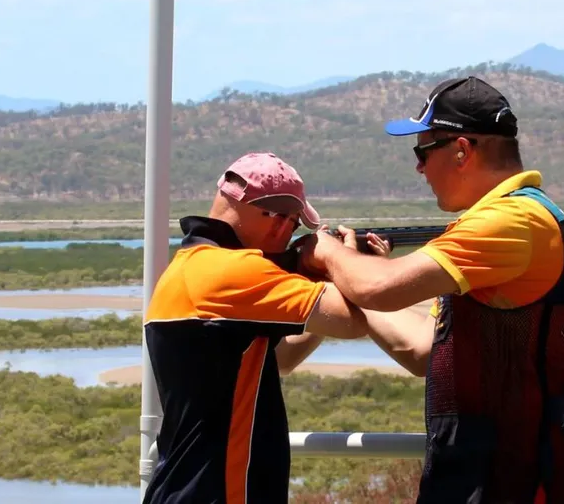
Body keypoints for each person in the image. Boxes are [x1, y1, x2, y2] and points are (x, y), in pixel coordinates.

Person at [300, 77, 564, 503]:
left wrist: (323, 252)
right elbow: (423, 349)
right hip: (482, 478)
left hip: (512, 482)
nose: (418, 167)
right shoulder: (508, 219)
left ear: (461, 150)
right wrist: (353, 273)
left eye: (422, 151)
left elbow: (380, 289)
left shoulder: (509, 222)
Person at [141, 152, 389, 504]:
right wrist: (344, 261)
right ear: (278, 221)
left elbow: (280, 359)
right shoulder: (235, 270)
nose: (288, 234)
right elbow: (353, 321)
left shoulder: (189, 267)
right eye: (292, 224)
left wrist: (314, 288)